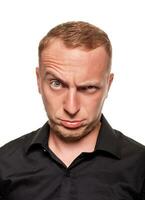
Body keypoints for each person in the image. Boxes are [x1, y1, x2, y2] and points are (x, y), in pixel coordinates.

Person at [0, 21, 145, 200]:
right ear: (38, 80)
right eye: (57, 83)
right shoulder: (4, 163)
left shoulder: (140, 166)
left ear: (109, 84)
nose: (71, 107)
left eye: (88, 87)